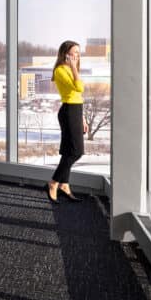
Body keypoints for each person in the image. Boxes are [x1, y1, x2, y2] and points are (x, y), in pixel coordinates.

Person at [48, 40, 87, 202]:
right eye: (73, 53)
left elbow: (79, 96)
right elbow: (79, 88)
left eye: (78, 53)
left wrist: (83, 118)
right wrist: (73, 67)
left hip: (76, 111)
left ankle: (64, 183)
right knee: (76, 151)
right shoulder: (60, 70)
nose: (76, 56)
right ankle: (54, 181)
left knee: (68, 151)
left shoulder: (72, 70)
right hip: (69, 112)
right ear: (65, 54)